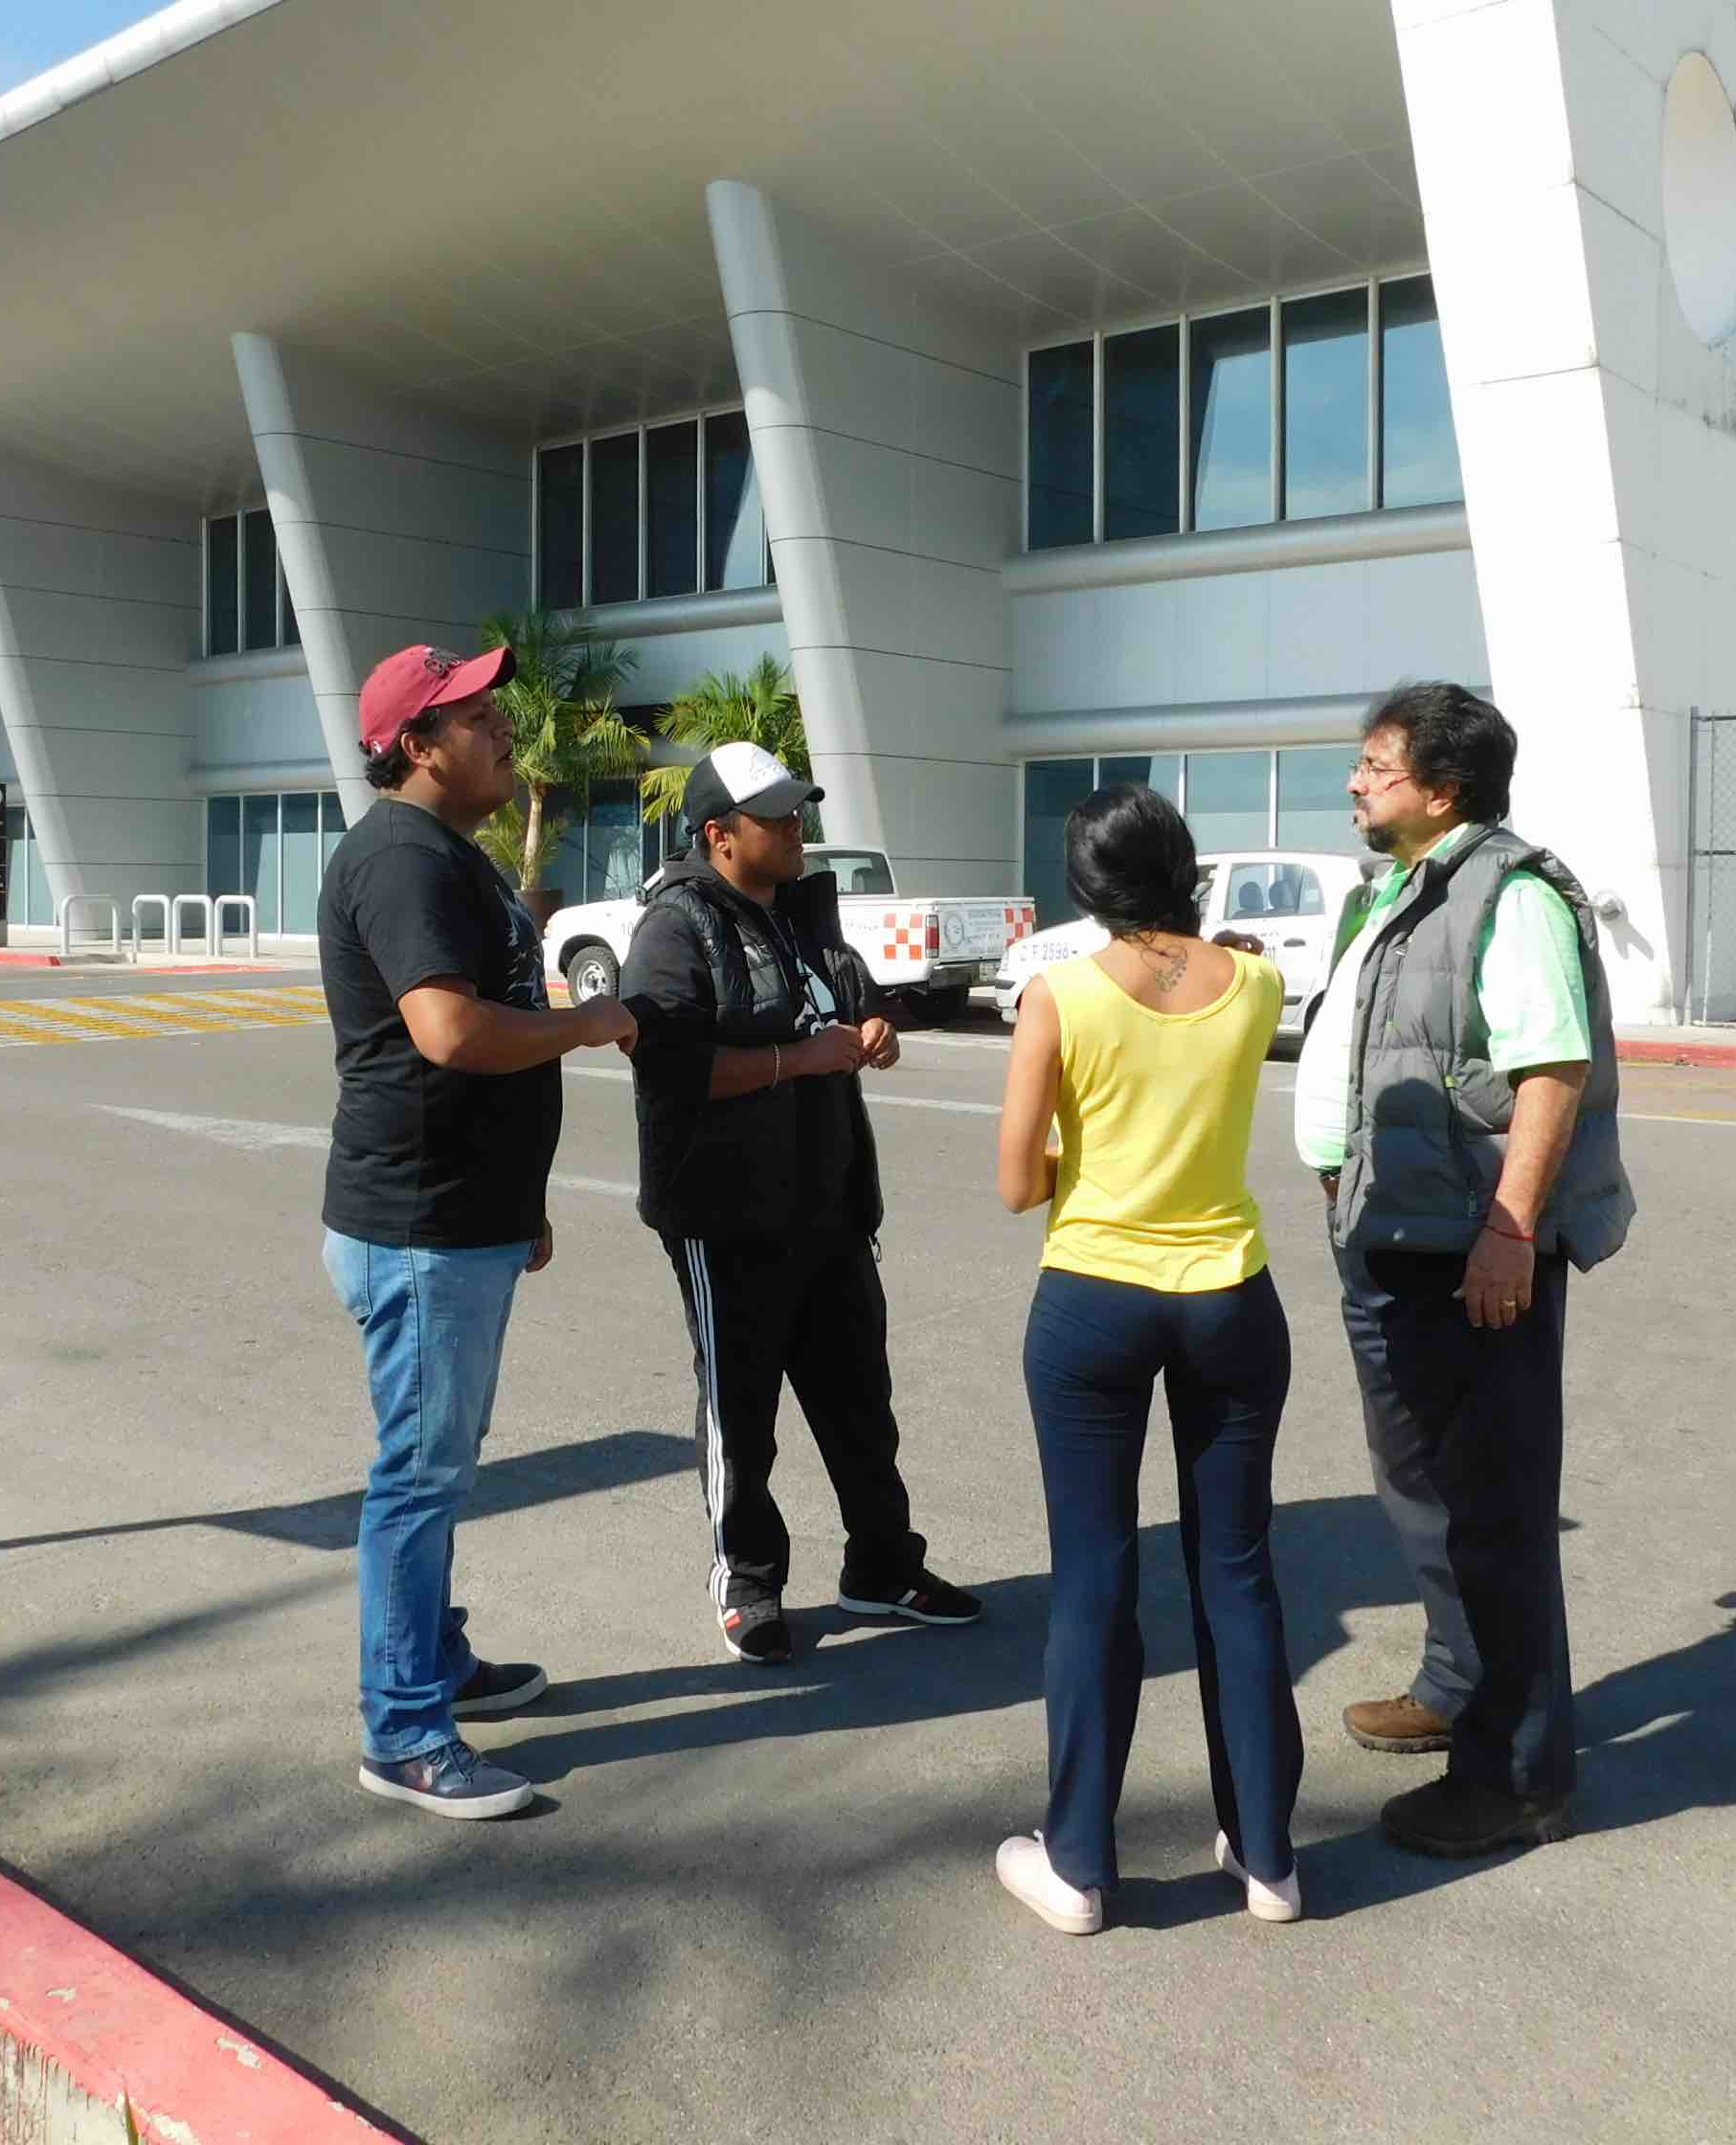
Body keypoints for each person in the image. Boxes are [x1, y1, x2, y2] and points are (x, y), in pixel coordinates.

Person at [1293, 681, 1634, 1858]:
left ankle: (1520, 1776)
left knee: (1493, 1509)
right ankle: (1454, 1685)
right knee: (1423, 1490)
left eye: (1375, 767)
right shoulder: (1392, 890)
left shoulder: (1511, 891)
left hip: (1469, 1251)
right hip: (1388, 1234)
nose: (1354, 782)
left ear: (1442, 790)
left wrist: (1508, 1232)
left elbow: (1551, 1070)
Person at [319, 640, 639, 1821]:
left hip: (463, 1218)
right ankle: (403, 1730)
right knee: (419, 1473)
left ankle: (435, 1662)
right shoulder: (403, 858)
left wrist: (523, 1202)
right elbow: (452, 1032)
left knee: (439, 1464)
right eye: (474, 713)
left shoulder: (445, 852)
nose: (502, 725)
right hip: (419, 1225)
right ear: (418, 745)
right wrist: (590, 1022)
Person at [989, 781, 1302, 1933]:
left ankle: (1078, 1864)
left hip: (1094, 1303)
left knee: (1094, 1578)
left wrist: (1096, 1162)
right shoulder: (1256, 981)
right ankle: (1269, 1853)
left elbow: (1019, 1182)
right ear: (1186, 864)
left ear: (1087, 886)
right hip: (1230, 1295)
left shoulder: (1059, 996)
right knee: (1240, 1572)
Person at [620, 743, 981, 1664]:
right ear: (718, 835)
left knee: (861, 1401)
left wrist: (873, 1028)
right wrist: (797, 1060)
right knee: (742, 1415)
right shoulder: (677, 927)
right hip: (727, 1218)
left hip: (830, 1205)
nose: (795, 828)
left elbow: (854, 1004)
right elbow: (665, 1066)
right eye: (775, 817)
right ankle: (747, 1580)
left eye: (797, 811)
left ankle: (883, 1567)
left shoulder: (808, 914)